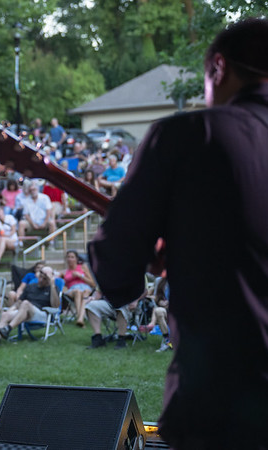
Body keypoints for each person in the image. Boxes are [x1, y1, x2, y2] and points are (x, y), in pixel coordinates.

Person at [87, 19, 268, 449]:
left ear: (218, 68)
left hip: (226, 398)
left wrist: (133, 274)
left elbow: (118, 259)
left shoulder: (188, 134)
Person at [0, 266, 59, 346]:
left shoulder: (53, 289)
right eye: (40, 276)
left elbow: (55, 306)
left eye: (45, 279)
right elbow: (18, 303)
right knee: (5, 314)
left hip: (42, 314)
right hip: (24, 313)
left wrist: (52, 284)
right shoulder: (30, 286)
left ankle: (8, 329)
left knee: (25, 303)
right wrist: (9, 310)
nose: (41, 280)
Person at [62, 250, 95, 328]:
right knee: (77, 291)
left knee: (85, 292)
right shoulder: (64, 272)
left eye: (72, 257)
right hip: (72, 290)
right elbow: (60, 285)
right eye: (68, 257)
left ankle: (80, 319)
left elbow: (93, 283)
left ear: (76, 259)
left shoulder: (83, 267)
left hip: (85, 288)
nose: (70, 259)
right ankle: (80, 317)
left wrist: (80, 276)